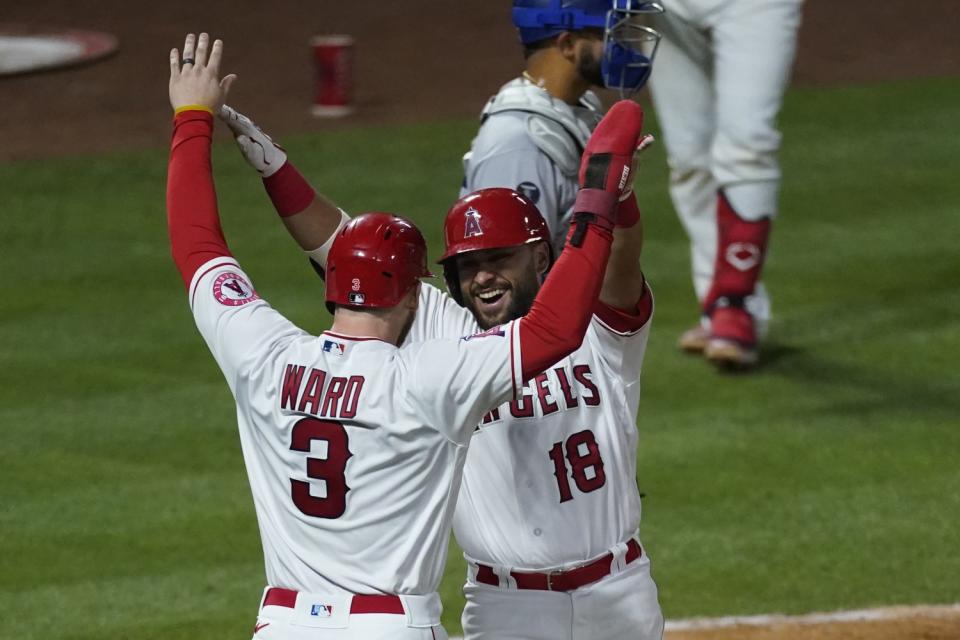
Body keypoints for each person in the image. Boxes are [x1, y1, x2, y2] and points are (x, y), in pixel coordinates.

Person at [166, 32, 646, 640]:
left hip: (287, 623)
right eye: (466, 265)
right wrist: (599, 202)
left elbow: (201, 246)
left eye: (497, 259)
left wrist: (195, 122)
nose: (482, 276)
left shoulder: (266, 358)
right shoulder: (429, 377)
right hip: (412, 622)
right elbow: (555, 326)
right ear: (423, 291)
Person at [647, 0, 804, 368]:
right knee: (689, 159)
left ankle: (736, 303)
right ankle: (716, 308)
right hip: (664, 7)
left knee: (749, 144)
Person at [460, 0, 664, 252]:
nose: (621, 47)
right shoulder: (520, 144)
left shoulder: (577, 110)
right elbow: (512, 273)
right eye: (611, 34)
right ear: (568, 45)